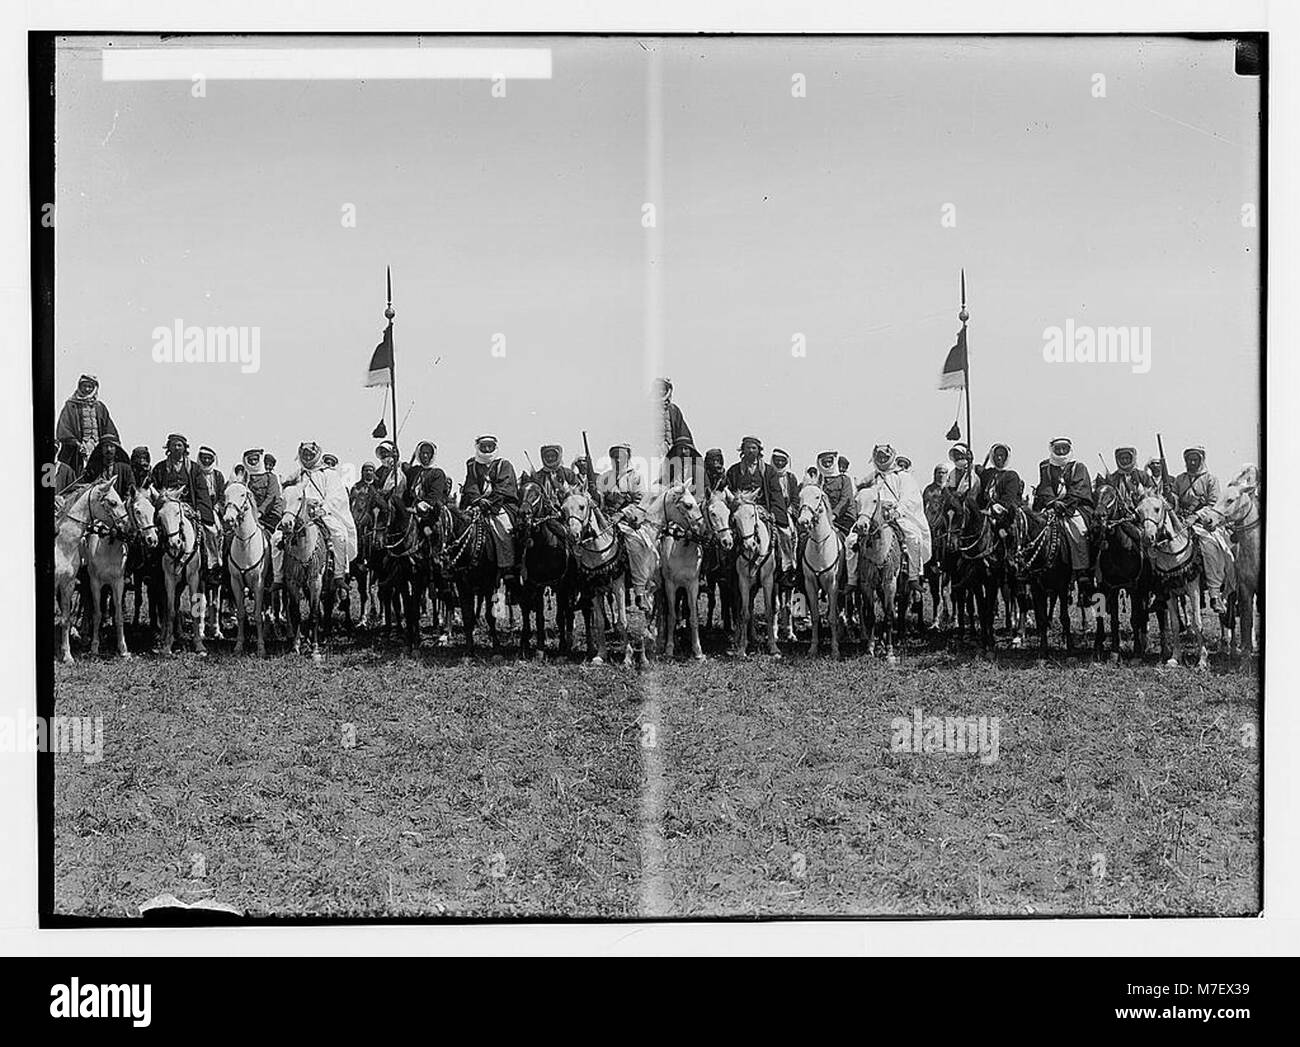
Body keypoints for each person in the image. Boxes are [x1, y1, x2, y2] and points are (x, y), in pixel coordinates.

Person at [283, 442, 357, 592]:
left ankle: (339, 576)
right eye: (304, 454)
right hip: (299, 513)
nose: (307, 457)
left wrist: (323, 508)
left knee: (339, 535)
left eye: (310, 454)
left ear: (317, 455)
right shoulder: (297, 474)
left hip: (321, 513)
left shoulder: (329, 473)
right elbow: (287, 490)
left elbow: (336, 496)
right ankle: (278, 577)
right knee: (277, 538)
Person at [864, 444, 931, 598]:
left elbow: (909, 498)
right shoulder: (872, 477)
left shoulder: (903, 477)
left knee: (914, 538)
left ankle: (914, 577)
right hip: (874, 518)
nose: (882, 459)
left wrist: (896, 510)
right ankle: (853, 580)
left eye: (885, 456)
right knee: (851, 541)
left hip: (897, 517)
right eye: (879, 456)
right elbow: (862, 492)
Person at [1173, 445, 1234, 608]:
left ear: (1201, 460)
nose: (1192, 462)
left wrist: (1196, 516)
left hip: (1204, 523)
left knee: (1210, 548)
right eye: (1189, 459)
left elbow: (1213, 503)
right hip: (1181, 521)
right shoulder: (1180, 479)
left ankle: (1214, 594)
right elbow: (1174, 499)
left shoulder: (1210, 479)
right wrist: (1170, 497)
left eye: (1195, 459)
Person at [150, 433, 218, 573]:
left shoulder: (193, 468)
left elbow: (201, 490)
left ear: (185, 448)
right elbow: (154, 489)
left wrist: (201, 510)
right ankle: (152, 567)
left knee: (211, 531)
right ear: (168, 448)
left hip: (189, 507)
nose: (176, 448)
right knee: (152, 531)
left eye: (179, 445)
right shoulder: (160, 468)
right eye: (173, 445)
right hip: (167, 507)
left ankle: (212, 563)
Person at [1032, 436, 1094, 588]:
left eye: (1064, 448)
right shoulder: (1045, 466)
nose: (1060, 451)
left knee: (1079, 530)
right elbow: (1044, 486)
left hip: (1074, 507)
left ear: (1069, 449)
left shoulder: (1078, 467)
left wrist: (1064, 505)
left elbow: (1079, 489)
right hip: (1052, 505)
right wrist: (1052, 502)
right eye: (1057, 449)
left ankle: (1082, 570)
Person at [723, 436, 792, 570]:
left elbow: (776, 493)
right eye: (747, 448)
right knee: (726, 534)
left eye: (753, 448)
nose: (750, 451)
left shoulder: (768, 471)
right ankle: (726, 567)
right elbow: (729, 493)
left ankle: (786, 564)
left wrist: (775, 513)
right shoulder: (734, 470)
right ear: (742, 450)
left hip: (763, 509)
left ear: (759, 451)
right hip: (741, 510)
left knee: (785, 533)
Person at [460, 434, 521, 583]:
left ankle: (507, 566)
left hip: (501, 505)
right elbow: (471, 485)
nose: (487, 449)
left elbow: (504, 487)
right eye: (483, 446)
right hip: (478, 504)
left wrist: (490, 502)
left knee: (503, 528)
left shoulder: (504, 464)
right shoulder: (472, 465)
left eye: (490, 446)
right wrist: (478, 500)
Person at [56, 374, 119, 477]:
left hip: (97, 446)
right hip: (78, 449)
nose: (87, 389)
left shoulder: (100, 407)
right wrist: (77, 444)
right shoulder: (71, 405)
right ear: (79, 387)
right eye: (84, 386)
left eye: (90, 386)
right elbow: (64, 428)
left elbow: (108, 427)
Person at [242, 448, 285, 593]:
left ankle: (275, 575)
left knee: (274, 542)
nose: (253, 462)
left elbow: (271, 497)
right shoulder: (245, 477)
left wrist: (259, 513)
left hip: (269, 516)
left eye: (255, 459)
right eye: (250, 460)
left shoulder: (271, 478)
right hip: (249, 517)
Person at [598, 443, 645, 518]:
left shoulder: (635, 476)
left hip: (627, 518)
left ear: (627, 458)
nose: (618, 460)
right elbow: (599, 497)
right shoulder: (605, 476)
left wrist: (621, 514)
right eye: (615, 457)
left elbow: (638, 501)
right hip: (605, 516)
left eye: (621, 457)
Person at [653, 378, 694, 463]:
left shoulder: (673, 410)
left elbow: (682, 434)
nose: (660, 391)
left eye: (663, 389)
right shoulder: (646, 409)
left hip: (670, 452)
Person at [815, 449, 857, 533]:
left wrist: (833, 515)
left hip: (844, 517)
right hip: (824, 517)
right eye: (824, 462)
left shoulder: (844, 479)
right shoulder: (819, 481)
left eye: (829, 462)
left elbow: (845, 500)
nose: (827, 464)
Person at [978, 443, 1024, 515]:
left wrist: (994, 508)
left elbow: (1009, 499)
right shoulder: (987, 473)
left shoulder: (1012, 475)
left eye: (1002, 455)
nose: (999, 458)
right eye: (997, 455)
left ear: (1006, 457)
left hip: (1004, 511)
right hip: (985, 509)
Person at [84, 434, 135, 499]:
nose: (108, 449)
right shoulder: (93, 469)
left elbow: (131, 488)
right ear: (101, 449)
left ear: (116, 449)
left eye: (111, 446)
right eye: (106, 446)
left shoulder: (125, 469)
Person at [407, 441, 451, 513]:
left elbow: (435, 495)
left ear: (432, 455)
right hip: (412, 506)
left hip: (430, 509)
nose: (425, 456)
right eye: (423, 453)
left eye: (428, 453)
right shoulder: (414, 471)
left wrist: (421, 506)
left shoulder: (437, 473)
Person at [529, 444, 579, 508]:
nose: (550, 459)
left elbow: (577, 492)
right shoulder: (538, 476)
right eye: (547, 456)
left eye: (553, 456)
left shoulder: (568, 473)